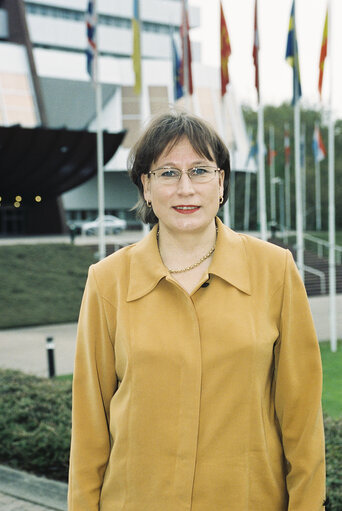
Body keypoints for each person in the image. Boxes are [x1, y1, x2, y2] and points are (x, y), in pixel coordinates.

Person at [68, 110, 326, 511]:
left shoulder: (275, 271)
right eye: (167, 173)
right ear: (146, 188)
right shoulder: (108, 280)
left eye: (200, 171)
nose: (184, 188)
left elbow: (302, 420)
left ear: (221, 183)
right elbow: (88, 426)